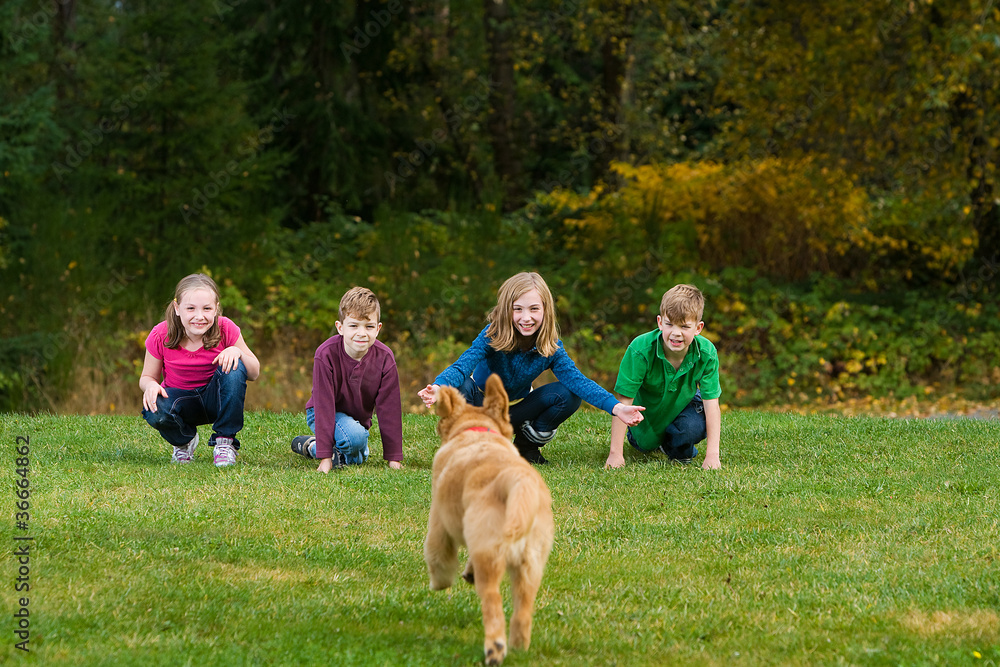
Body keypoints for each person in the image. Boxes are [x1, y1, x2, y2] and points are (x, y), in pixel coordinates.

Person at [418, 271, 645, 464]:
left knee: (568, 393)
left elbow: (579, 381)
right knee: (463, 384)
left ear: (545, 310)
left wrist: (616, 408)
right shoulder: (492, 335)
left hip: (513, 414)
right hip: (479, 408)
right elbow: (461, 366)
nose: (526, 318)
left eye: (534, 309)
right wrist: (439, 387)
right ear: (507, 310)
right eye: (518, 309)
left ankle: (525, 448)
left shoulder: (551, 347)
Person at [139, 273, 261, 467]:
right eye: (190, 308)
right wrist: (151, 386)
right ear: (177, 308)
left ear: (216, 309)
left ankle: (224, 443)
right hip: (181, 402)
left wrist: (236, 351)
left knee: (235, 366)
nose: (199, 316)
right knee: (152, 408)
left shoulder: (226, 328)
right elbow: (146, 377)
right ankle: (184, 441)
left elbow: (254, 372)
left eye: (207, 309)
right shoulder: (160, 334)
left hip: (217, 400)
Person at [605, 283, 722, 470]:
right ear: (660, 322)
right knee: (645, 444)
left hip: (685, 406)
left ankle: (677, 444)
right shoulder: (640, 350)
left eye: (685, 326)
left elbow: (711, 402)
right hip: (646, 424)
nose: (676, 333)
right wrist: (615, 454)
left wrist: (712, 456)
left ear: (698, 328)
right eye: (669, 324)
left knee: (692, 426)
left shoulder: (706, 352)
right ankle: (667, 443)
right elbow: (624, 400)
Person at [289, 287, 403, 473]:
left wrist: (394, 458)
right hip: (321, 412)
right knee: (355, 439)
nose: (361, 333)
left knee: (356, 439)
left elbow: (389, 409)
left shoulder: (385, 358)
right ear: (340, 327)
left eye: (369, 326)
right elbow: (324, 404)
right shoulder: (325, 354)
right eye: (353, 325)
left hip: (357, 421)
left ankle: (315, 445)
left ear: (378, 328)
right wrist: (326, 458)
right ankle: (318, 448)